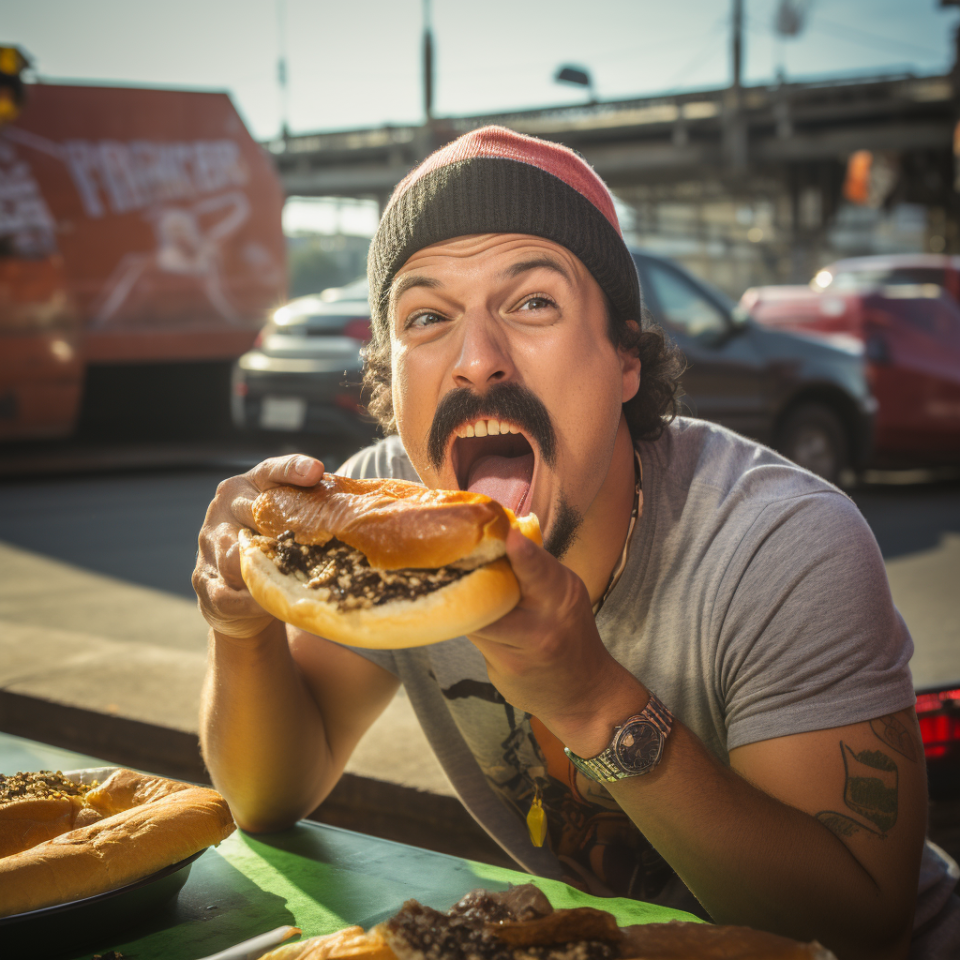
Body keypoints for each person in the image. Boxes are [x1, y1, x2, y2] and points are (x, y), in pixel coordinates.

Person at [193, 126, 959, 959]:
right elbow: (270, 796)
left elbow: (866, 930)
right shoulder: (391, 522)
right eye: (426, 317)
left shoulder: (782, 543)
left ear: (625, 358)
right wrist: (242, 629)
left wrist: (593, 701)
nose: (477, 361)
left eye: (532, 304)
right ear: (389, 375)